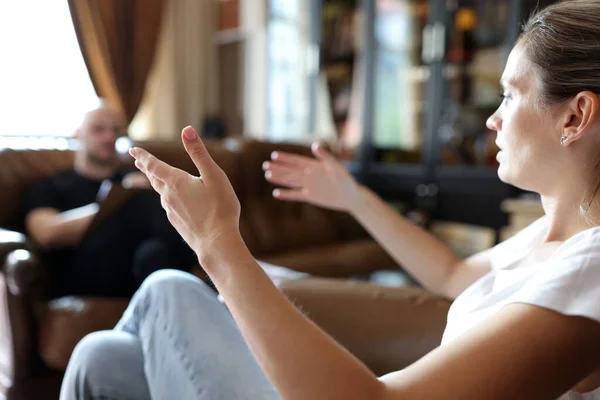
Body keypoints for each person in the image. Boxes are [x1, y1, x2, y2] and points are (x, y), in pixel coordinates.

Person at [61, 2, 600, 399]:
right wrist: (353, 197)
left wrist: (218, 246)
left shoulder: (591, 266)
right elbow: (453, 273)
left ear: (575, 116)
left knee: (166, 290)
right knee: (101, 358)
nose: (492, 118)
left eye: (509, 94)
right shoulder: (551, 237)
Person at [23, 101, 197, 298]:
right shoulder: (53, 185)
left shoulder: (134, 178)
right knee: (139, 203)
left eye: (115, 130)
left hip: (137, 271)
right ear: (78, 134)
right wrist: (119, 199)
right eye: (99, 129)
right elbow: (46, 233)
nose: (109, 137)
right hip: (87, 270)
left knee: (156, 254)